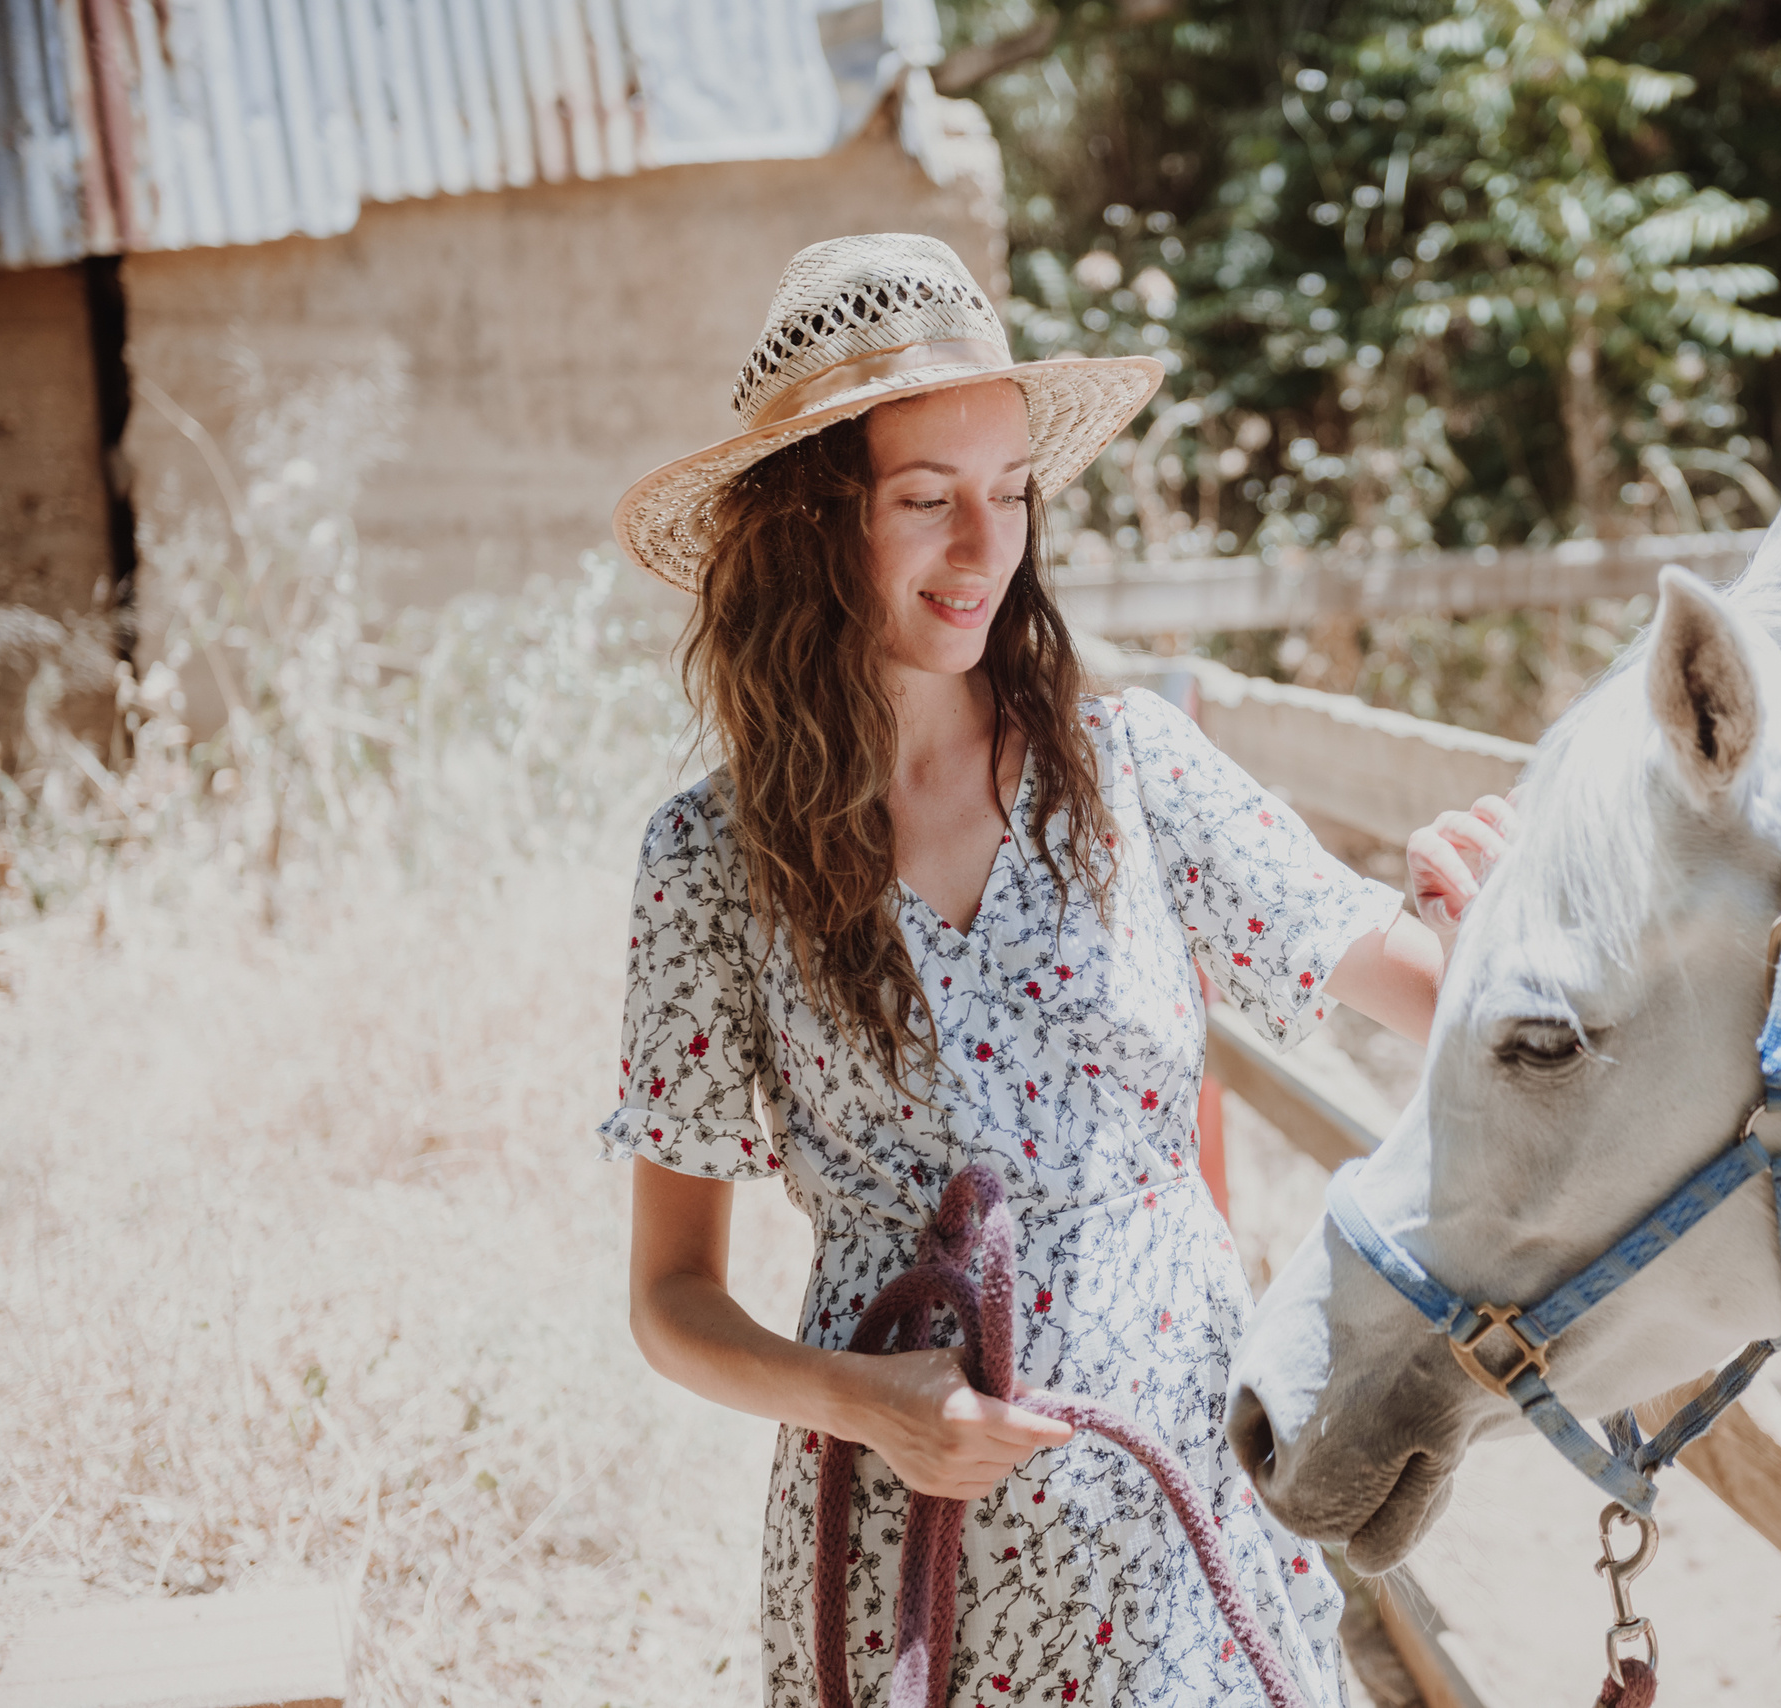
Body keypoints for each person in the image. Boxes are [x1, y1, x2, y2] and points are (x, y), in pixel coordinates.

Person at [601, 234, 1509, 1708]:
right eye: (926, 502)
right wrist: (865, 1404)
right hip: (908, 1555)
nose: (985, 548)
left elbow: (1408, 978)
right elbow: (670, 1300)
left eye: (1011, 495)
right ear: (809, 524)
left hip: (1184, 1522)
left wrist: (1487, 936)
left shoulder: (1124, 765)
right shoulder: (712, 860)